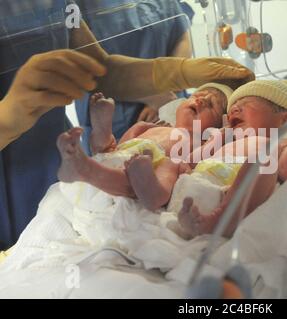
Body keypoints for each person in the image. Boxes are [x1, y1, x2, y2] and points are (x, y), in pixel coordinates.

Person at [0, 0, 254, 250]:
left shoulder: (59, 4)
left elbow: (101, 71)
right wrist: (6, 118)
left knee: (57, 246)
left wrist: (180, 72)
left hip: (54, 163)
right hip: (23, 173)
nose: (202, 99)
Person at [170, 80, 287, 238]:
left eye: (246, 104)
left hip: (236, 198)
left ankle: (219, 220)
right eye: (232, 107)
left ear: (285, 120)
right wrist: (216, 140)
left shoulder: (277, 144)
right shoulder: (224, 141)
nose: (233, 109)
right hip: (195, 191)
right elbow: (192, 161)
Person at [56, 83, 233, 210]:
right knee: (109, 149)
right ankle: (102, 130)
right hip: (122, 156)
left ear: (214, 128)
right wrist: (136, 129)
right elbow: (122, 147)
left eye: (210, 105)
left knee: (168, 166)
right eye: (196, 96)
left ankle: (85, 168)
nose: (200, 101)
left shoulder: (199, 142)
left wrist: (218, 138)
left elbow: (197, 161)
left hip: (145, 174)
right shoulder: (153, 127)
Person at [75, 0, 194, 152]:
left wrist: (171, 88)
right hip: (117, 121)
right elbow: (85, 64)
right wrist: (154, 95)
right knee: (120, 164)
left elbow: (181, 35)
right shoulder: (78, 6)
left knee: (183, 165)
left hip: (172, 103)